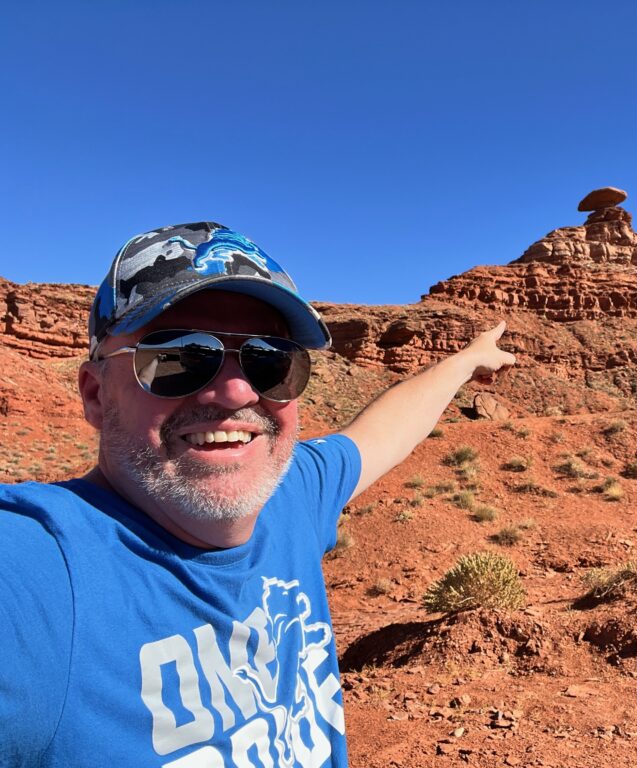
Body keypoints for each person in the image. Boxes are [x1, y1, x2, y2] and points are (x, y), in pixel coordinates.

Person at [0, 221, 515, 767]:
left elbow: (377, 433)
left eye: (270, 360)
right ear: (96, 393)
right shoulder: (40, 575)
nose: (236, 392)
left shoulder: (288, 497)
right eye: (177, 356)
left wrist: (463, 362)